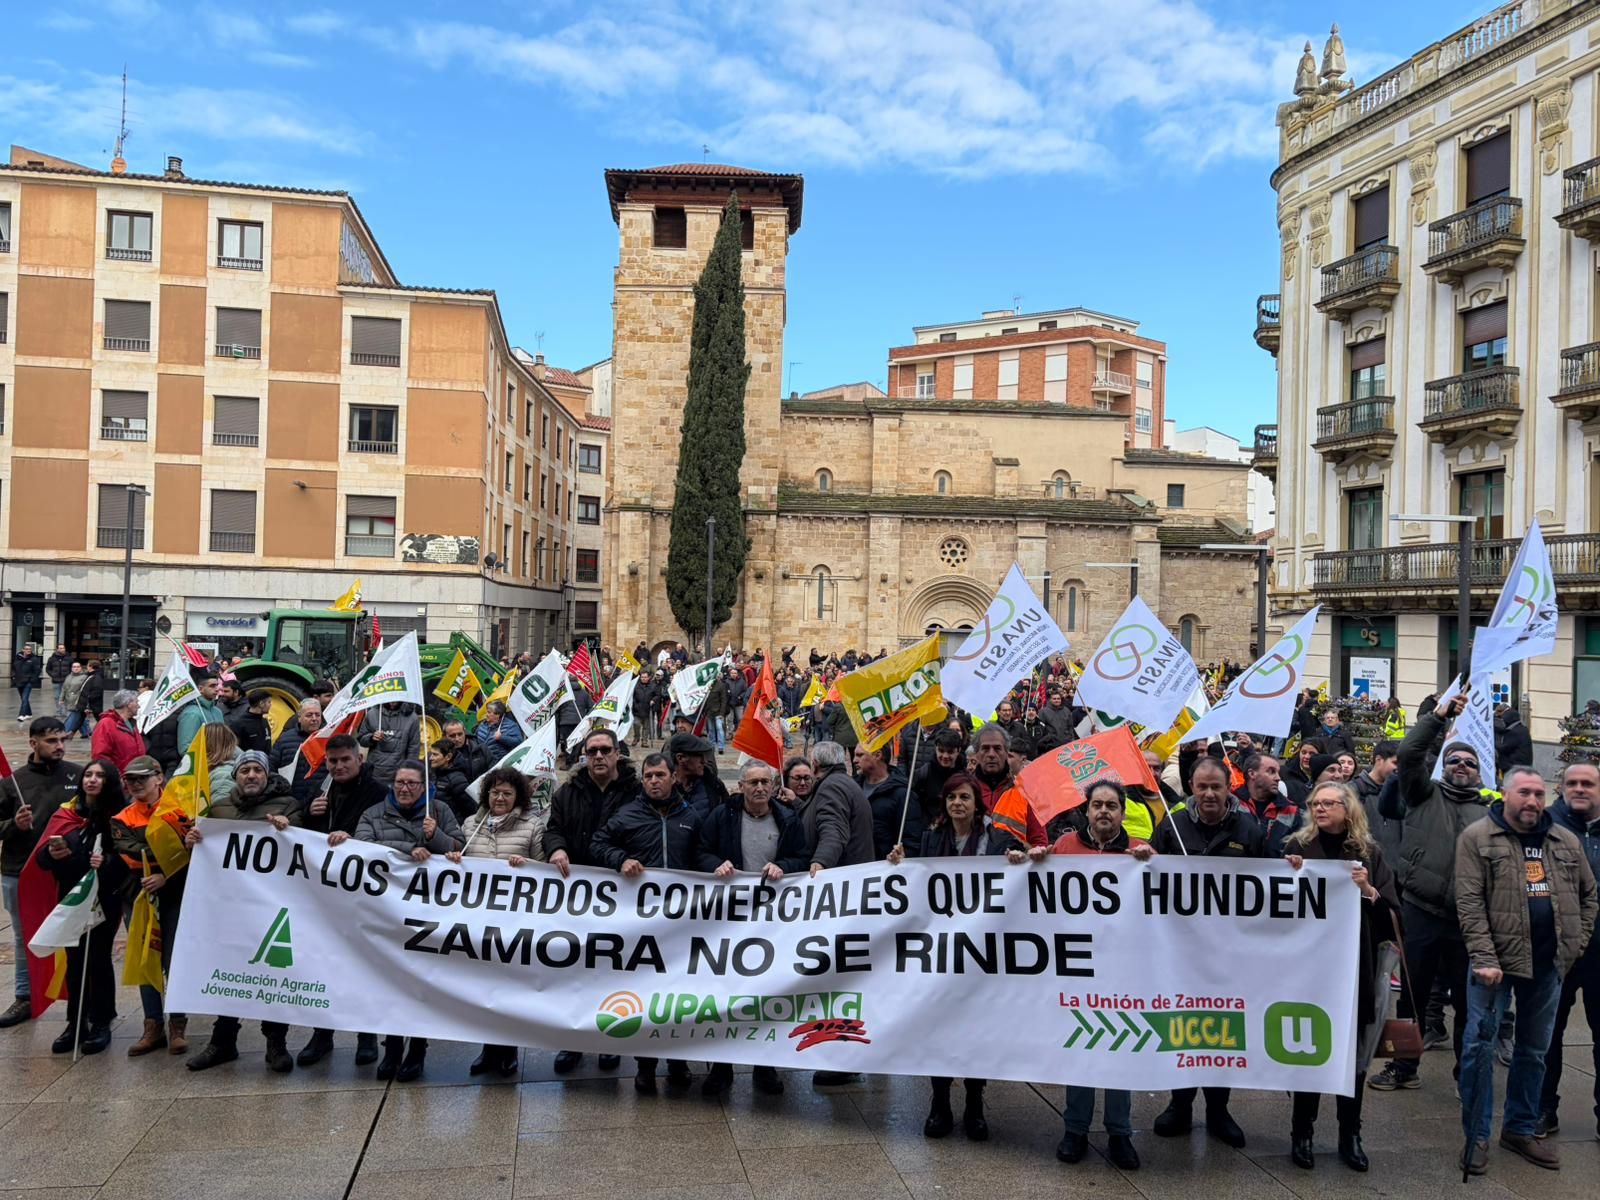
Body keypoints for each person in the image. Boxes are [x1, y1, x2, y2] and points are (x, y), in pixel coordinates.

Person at [1454, 766, 1597, 1175]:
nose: (1533, 801)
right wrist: (1483, 958)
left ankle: (1519, 1127)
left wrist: (1573, 946)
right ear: (1505, 794)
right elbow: (1469, 904)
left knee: (1534, 1052)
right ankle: (1476, 1136)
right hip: (1493, 968)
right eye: (1524, 793)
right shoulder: (1478, 838)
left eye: (1538, 793)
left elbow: (1589, 896)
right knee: (1478, 1053)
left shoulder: (1563, 840)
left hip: (1548, 966)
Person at [1370, 693, 1488, 1092]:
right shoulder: (1422, 793)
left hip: (1467, 921)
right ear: (1443, 767)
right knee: (1412, 996)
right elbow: (1408, 752)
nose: (1461, 767)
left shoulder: (1489, 814)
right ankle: (1403, 1068)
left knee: (1469, 1005)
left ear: (1479, 774)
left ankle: (1465, 1075)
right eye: (1454, 760)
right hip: (1420, 910)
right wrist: (1438, 717)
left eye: (1469, 763)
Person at [1281, 780, 1399, 1173]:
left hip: (1355, 969)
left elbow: (1394, 920)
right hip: (1307, 969)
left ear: (1348, 809)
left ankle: (1350, 1133)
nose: (1320, 809)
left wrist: (1368, 891)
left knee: (1351, 1058)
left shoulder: (1369, 853)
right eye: (1315, 803)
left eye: (1329, 803)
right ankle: (1302, 1132)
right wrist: (1289, 874)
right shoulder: (1297, 848)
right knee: (1307, 1051)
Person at [1149, 756, 1265, 1147]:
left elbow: (1270, 883)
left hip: (1229, 953)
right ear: (1192, 789)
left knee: (1222, 1030)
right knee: (1182, 1026)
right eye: (1202, 787)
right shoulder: (1174, 825)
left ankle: (1219, 1109)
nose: (1210, 794)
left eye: (1216, 786)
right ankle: (1179, 1105)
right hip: (1180, 952)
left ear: (1229, 786)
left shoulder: (1248, 829)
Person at [329, 761, 462, 1082]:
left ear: (424, 787)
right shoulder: (373, 814)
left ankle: (416, 1051)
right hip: (384, 915)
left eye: (412, 784)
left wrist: (437, 837)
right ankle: (390, 1050)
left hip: (424, 918)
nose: (404, 788)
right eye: (399, 783)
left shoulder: (439, 811)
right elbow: (363, 848)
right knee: (387, 984)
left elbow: (459, 849)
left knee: (417, 986)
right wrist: (410, 849)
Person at [1052, 779, 1153, 1170]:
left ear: (1122, 812)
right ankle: (1075, 1128)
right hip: (1078, 969)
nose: (1104, 812)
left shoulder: (1139, 854)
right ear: (1087, 810)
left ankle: (1119, 1133)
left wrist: (1151, 865)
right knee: (1081, 1045)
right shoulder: (1064, 848)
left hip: (1124, 971)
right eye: (1097, 805)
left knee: (1119, 1047)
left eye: (1112, 805)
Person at [591, 752, 707, 1094]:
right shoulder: (627, 815)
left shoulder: (692, 816)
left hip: (684, 924)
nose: (653, 781)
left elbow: (703, 855)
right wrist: (621, 859)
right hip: (643, 927)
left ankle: (678, 1062)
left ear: (673, 777)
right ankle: (645, 1066)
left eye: (659, 774)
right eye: (648, 776)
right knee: (645, 996)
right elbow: (598, 843)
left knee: (679, 997)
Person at [184, 751, 305, 1073]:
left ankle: (275, 1043)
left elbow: (304, 846)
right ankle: (223, 1040)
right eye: (245, 770)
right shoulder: (219, 808)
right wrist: (193, 840)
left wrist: (289, 829)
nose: (251, 775)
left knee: (273, 973)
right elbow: (206, 852)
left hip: (271, 906)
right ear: (235, 776)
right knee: (228, 969)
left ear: (266, 775)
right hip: (229, 908)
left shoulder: (287, 805)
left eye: (257, 770)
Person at [697, 760, 807, 1097]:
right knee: (725, 994)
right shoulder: (721, 816)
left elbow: (802, 856)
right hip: (728, 921)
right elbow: (700, 852)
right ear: (741, 786)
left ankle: (765, 1065)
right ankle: (722, 1067)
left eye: (765, 782)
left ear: (774, 786)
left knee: (766, 994)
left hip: (773, 923)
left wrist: (784, 866)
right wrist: (716, 864)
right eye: (753, 782)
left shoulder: (788, 819)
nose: (759, 788)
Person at [543, 728, 639, 1074]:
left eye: (605, 750)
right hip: (578, 897)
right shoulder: (568, 792)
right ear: (584, 755)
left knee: (612, 971)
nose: (598, 756)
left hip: (621, 896)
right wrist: (556, 849)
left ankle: (609, 1040)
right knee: (576, 971)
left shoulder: (636, 791)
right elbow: (553, 828)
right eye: (592, 751)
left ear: (617, 754)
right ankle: (573, 1042)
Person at [296, 734, 387, 1069]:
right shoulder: (319, 792)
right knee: (324, 965)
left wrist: (355, 840)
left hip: (361, 896)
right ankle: (322, 1034)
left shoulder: (377, 793)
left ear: (358, 760)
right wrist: (309, 812)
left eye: (345, 760)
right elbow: (297, 834)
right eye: (333, 762)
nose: (339, 766)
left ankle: (366, 1035)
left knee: (363, 965)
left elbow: (385, 838)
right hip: (323, 898)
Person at [449, 766, 545, 1078]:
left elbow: (543, 869)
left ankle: (509, 1050)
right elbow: (458, 860)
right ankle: (488, 1049)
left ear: (518, 796)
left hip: (515, 923)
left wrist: (527, 865)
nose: (499, 798)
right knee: (485, 990)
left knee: (509, 990)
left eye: (506, 793)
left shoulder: (532, 826)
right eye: (494, 792)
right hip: (478, 921)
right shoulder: (469, 825)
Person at [35, 759, 128, 1056]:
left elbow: (129, 862)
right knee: (75, 960)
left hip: (104, 898)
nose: (92, 780)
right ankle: (75, 1022)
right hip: (72, 896)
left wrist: (108, 863)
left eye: (100, 776)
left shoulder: (119, 817)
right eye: (88, 774)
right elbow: (42, 859)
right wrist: (54, 854)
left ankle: (100, 1021)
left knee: (98, 957)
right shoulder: (67, 814)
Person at [0, 718, 82, 1027]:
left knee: (75, 936)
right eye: (51, 741)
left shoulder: (77, 775)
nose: (59, 746)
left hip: (67, 871)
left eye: (62, 739)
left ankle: (80, 998)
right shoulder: (13, 783)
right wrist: (13, 825)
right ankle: (25, 996)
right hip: (20, 871)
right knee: (26, 938)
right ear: (33, 743)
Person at [1537, 761, 1600, 1138]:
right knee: (1546, 1037)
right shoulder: (1542, 828)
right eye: (1572, 783)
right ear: (1560, 788)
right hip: (1554, 952)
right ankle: (1544, 1109)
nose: (1579, 788)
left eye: (1588, 783)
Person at [118, 756, 190, 1055]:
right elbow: (132, 852)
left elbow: (193, 853)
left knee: (174, 960)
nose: (135, 785)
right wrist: (172, 852)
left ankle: (177, 1024)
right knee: (146, 961)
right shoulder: (122, 818)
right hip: (138, 895)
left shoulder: (178, 812)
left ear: (159, 778)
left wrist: (167, 871)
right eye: (130, 780)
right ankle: (152, 1025)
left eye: (142, 779)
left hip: (174, 895)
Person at [855, 741, 921, 860]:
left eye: (860, 755)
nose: (854, 760)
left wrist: (902, 855)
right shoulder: (853, 788)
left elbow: (912, 840)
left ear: (878, 755)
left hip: (884, 869)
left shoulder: (902, 794)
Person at [1354, 741, 1401, 868]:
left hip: (1395, 873)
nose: (1399, 769)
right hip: (1363, 871)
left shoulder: (1402, 793)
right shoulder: (1352, 791)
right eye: (1395, 763)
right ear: (1379, 760)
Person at [270, 698, 326, 803]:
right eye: (309, 715)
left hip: (320, 801)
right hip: (291, 801)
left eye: (317, 715)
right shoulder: (284, 740)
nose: (314, 718)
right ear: (299, 718)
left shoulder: (329, 738)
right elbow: (271, 768)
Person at [359, 701, 421, 787]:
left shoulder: (412, 718)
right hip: (374, 771)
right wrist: (371, 738)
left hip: (398, 773)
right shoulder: (372, 713)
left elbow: (414, 748)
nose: (393, 702)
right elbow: (361, 740)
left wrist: (409, 772)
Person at [90, 689, 146, 772]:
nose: (139, 706)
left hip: (133, 778)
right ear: (129, 704)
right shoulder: (106, 724)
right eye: (136, 702)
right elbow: (100, 755)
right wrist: (115, 776)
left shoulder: (131, 723)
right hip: (119, 779)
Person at [175, 669, 224, 752]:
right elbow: (186, 748)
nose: (217, 689)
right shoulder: (192, 714)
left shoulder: (217, 711)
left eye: (217, 685)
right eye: (212, 686)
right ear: (200, 689)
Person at [230, 690, 274, 754]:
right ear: (261, 703)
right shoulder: (238, 724)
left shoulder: (264, 721)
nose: (270, 705)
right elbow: (233, 750)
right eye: (269, 702)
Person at [12, 645, 41, 720]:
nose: (28, 650)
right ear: (23, 650)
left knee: (25, 698)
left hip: (28, 682)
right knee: (23, 698)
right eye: (27, 649)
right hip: (19, 681)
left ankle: (22, 714)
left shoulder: (34, 659)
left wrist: (32, 679)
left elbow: (37, 670)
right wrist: (14, 676)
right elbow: (14, 668)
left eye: (30, 649)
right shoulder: (18, 658)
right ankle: (29, 713)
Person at [58, 662, 89, 734]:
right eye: (74, 667)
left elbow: (85, 690)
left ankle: (65, 731)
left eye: (78, 667)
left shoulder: (84, 677)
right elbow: (64, 688)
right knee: (79, 717)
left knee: (73, 716)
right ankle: (86, 732)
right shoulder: (68, 676)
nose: (76, 668)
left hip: (78, 701)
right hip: (69, 700)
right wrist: (61, 699)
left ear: (81, 668)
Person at [45, 646, 72, 711]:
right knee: (57, 696)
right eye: (60, 648)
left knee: (66, 696)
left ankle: (66, 710)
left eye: (63, 648)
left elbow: (72, 668)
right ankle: (59, 710)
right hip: (56, 681)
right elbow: (48, 669)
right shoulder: (52, 659)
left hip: (66, 680)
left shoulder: (69, 658)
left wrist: (69, 676)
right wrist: (53, 675)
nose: (62, 649)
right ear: (57, 649)